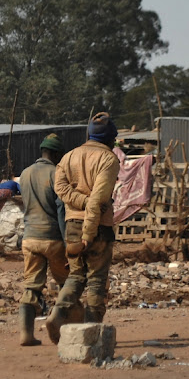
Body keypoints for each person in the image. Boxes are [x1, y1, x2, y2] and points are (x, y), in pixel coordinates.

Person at [46, 112, 120, 344]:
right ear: (110, 139)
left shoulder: (68, 157)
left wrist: (80, 202)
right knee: (97, 279)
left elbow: (60, 188)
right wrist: (89, 232)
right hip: (97, 227)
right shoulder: (109, 160)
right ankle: (91, 333)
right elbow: (97, 201)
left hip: (72, 224)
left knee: (76, 275)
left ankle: (59, 311)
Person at [17, 133, 69, 346]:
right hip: (52, 238)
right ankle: (58, 321)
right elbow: (60, 208)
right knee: (67, 283)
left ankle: (26, 334)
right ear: (56, 154)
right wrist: (67, 241)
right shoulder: (56, 174)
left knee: (31, 286)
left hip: (30, 238)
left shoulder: (25, 173)